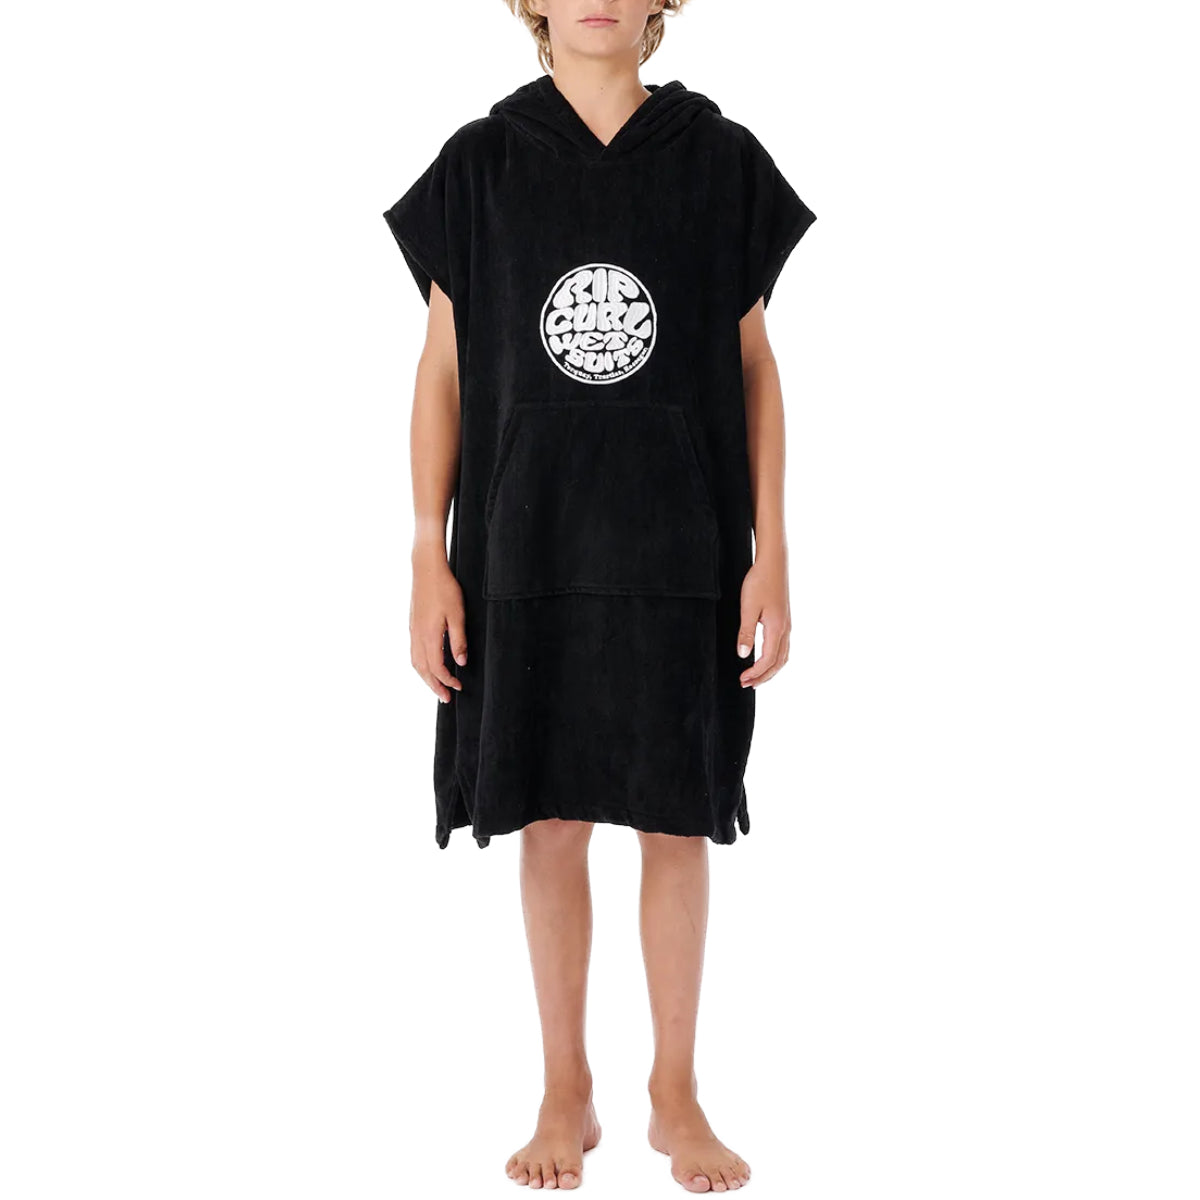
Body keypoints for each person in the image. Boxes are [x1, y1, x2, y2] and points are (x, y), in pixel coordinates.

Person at [382, 0, 816, 1190]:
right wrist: (427, 550)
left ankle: (675, 1092)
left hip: (681, 550)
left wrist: (772, 547)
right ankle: (562, 1087)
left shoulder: (717, 161)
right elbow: (443, 370)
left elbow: (754, 366)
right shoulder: (482, 165)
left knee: (678, 818)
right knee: (551, 816)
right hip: (527, 554)